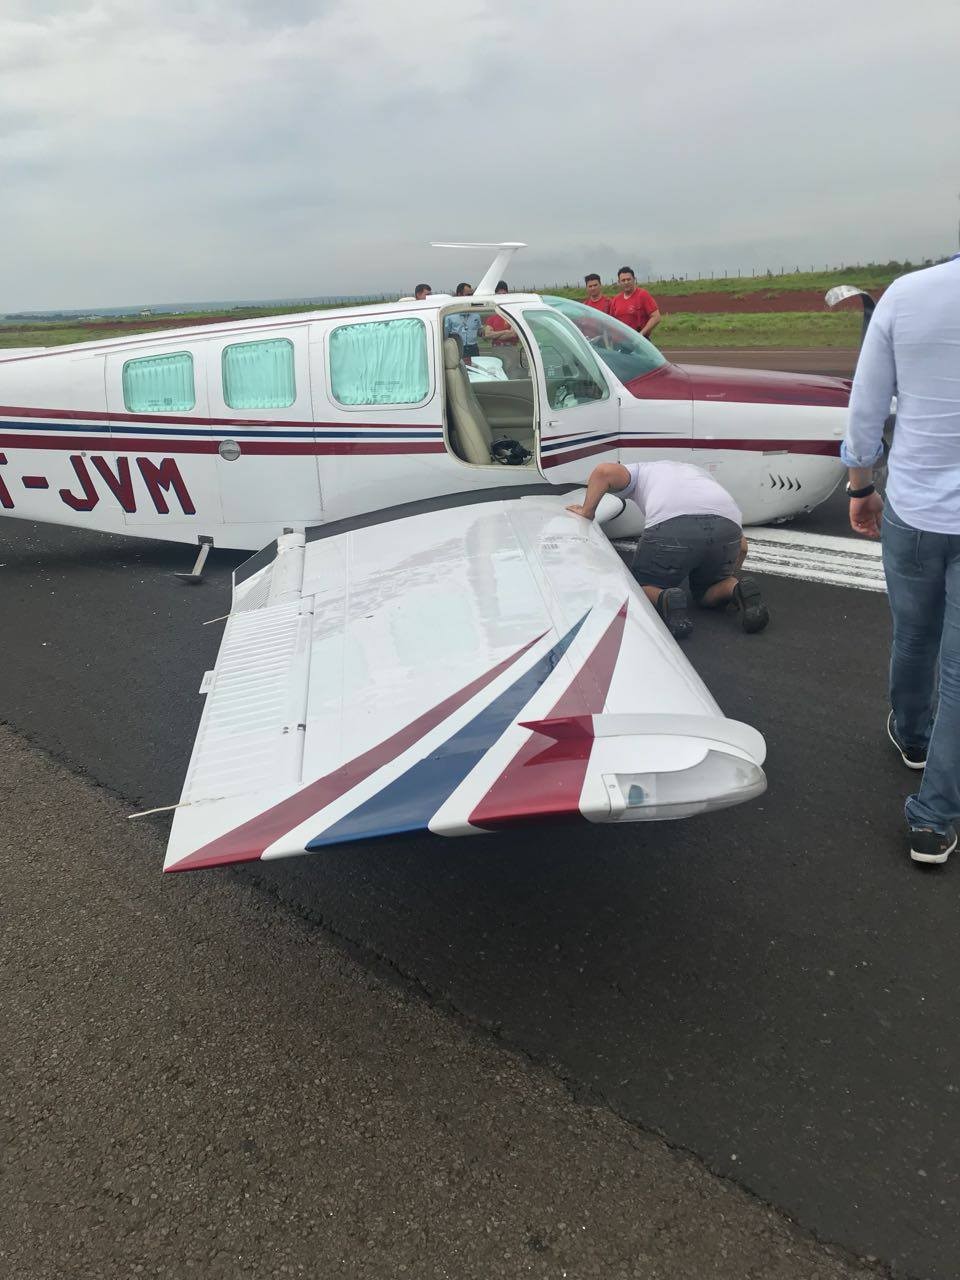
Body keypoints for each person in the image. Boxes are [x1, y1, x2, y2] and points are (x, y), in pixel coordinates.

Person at [841, 255, 960, 865]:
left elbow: (867, 406)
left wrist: (860, 485)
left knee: (914, 634)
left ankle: (912, 735)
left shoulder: (908, 295)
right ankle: (934, 819)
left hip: (914, 508)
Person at [566, 460, 768, 639]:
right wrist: (728, 574)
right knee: (708, 592)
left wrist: (587, 512)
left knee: (638, 587)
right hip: (728, 525)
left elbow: (604, 471)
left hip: (673, 524)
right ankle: (736, 589)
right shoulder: (702, 478)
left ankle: (665, 597)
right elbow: (742, 547)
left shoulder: (638, 472)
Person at [483, 280, 523, 376]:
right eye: (499, 295)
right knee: (498, 373)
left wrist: (495, 335)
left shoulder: (513, 315)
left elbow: (513, 334)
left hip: (511, 348)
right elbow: (487, 334)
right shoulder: (492, 317)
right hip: (497, 349)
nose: (501, 297)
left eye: (503, 294)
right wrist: (505, 331)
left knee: (512, 373)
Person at [609, 267, 661, 340]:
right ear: (619, 282)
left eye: (628, 279)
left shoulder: (642, 295)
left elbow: (656, 317)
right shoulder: (616, 300)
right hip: (622, 342)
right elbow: (611, 322)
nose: (626, 282)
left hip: (639, 341)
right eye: (623, 280)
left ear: (634, 279)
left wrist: (641, 334)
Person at [444, 283, 483, 358]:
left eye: (471, 294)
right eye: (468, 294)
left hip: (473, 348)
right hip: (457, 348)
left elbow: (479, 332)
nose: (470, 297)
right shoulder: (450, 315)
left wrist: (484, 331)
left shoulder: (476, 314)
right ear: (459, 295)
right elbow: (445, 336)